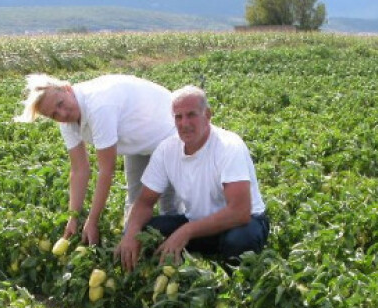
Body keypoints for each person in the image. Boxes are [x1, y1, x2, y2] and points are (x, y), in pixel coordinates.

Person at [115, 85, 269, 271]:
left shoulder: (229, 147)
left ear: (207, 115)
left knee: (238, 243)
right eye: (178, 117)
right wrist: (131, 234)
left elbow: (239, 212)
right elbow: (145, 202)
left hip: (242, 222)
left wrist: (185, 231)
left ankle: (230, 275)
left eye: (191, 115)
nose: (184, 123)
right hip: (198, 223)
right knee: (146, 231)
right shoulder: (167, 150)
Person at [15, 74, 179, 246]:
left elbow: (106, 170)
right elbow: (79, 170)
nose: (62, 114)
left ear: (67, 89)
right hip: (139, 138)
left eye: (60, 104)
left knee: (168, 204)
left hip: (167, 131)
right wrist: (73, 217)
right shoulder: (67, 123)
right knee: (135, 201)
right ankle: (138, 249)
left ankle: (177, 252)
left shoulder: (98, 106)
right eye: (54, 115)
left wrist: (92, 220)